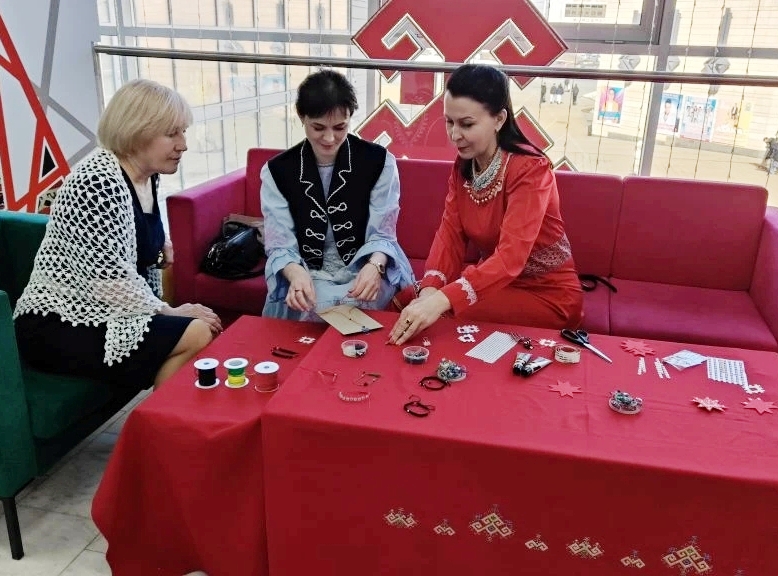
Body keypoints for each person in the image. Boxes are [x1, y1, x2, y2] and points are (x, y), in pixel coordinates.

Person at [13, 79, 221, 391]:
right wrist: (171, 312)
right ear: (136, 133)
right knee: (196, 331)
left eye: (183, 131)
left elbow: (129, 231)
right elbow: (107, 281)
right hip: (59, 322)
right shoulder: (96, 182)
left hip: (106, 311)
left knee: (198, 329)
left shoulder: (147, 177)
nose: (183, 144)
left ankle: (165, 415)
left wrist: (160, 244)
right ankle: (157, 420)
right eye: (172, 134)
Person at [388, 64, 583, 345]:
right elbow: (450, 235)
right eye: (449, 122)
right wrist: (431, 289)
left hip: (544, 293)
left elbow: (510, 258)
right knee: (408, 299)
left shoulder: (531, 169)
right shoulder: (464, 165)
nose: (455, 135)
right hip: (491, 283)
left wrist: (441, 300)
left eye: (466, 124)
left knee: (441, 315)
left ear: (499, 119)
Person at [260, 69, 414, 320]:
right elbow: (280, 243)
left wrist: (375, 266)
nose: (330, 138)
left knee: (360, 300)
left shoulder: (379, 161)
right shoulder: (277, 171)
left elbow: (383, 234)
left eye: (340, 127)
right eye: (318, 127)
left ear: (350, 117)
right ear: (301, 116)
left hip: (366, 265)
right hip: (307, 272)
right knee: (310, 304)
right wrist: (295, 274)